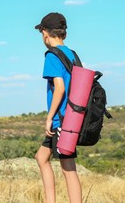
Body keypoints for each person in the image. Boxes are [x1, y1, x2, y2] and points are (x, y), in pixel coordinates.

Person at [34, 12, 82, 203]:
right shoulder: (72, 55)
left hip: (61, 120)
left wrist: (49, 117)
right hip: (72, 117)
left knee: (68, 168)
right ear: (64, 34)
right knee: (41, 157)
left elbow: (59, 88)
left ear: (45, 33)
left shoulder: (52, 56)